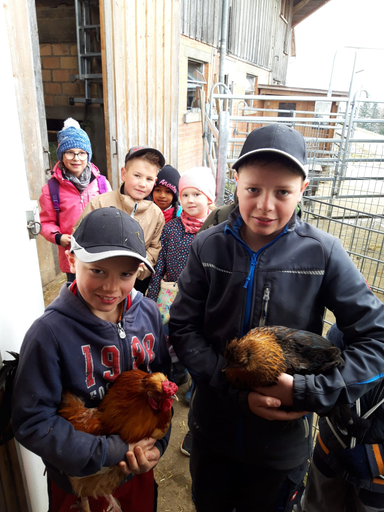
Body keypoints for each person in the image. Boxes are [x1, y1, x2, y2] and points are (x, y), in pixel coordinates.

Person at [169, 123, 384, 512]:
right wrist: (235, 390)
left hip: (280, 445)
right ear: (235, 182)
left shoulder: (323, 253)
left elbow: (376, 340)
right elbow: (183, 328)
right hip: (212, 429)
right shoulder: (207, 246)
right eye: (253, 189)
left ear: (303, 189)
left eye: (282, 192)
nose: (265, 206)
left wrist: (309, 391)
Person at [12, 207, 172, 512]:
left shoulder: (148, 313)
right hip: (78, 480)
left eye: (125, 274)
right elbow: (32, 421)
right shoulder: (49, 333)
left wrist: (156, 447)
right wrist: (111, 450)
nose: (111, 287)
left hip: (136, 475)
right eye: (97, 270)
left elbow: (164, 384)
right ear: (72, 260)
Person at [300, 323, 384, 512]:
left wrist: (374, 459)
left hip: (376, 482)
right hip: (329, 454)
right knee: (314, 506)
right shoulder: (358, 321)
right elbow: (323, 371)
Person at [147, 167, 216, 392]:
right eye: (185, 194)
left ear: (209, 199)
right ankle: (177, 372)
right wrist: (153, 294)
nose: (190, 200)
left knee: (200, 340)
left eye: (197, 194)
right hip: (170, 294)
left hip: (204, 297)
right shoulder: (171, 229)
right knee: (169, 336)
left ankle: (198, 384)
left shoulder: (215, 231)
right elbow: (161, 265)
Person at [79, 146, 166, 295]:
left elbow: (155, 248)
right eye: (137, 175)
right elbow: (79, 237)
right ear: (124, 174)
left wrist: (138, 270)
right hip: (100, 278)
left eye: (149, 179)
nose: (143, 183)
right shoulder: (99, 204)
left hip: (135, 281)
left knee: (128, 314)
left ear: (155, 181)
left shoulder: (156, 214)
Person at [39, 118, 111, 282]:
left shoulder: (101, 183)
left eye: (82, 153)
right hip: (71, 255)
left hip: (99, 251)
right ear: (61, 155)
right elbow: (46, 222)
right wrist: (58, 237)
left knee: (99, 290)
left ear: (88, 155)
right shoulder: (52, 189)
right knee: (76, 295)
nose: (76, 158)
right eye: (70, 152)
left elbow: (112, 212)